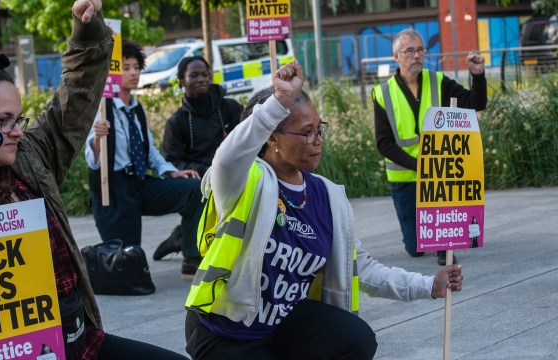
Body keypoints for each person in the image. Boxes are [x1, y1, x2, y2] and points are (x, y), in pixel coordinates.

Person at [0, 1, 186, 359]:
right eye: (3, 121)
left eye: (19, 119)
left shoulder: (28, 156)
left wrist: (86, 28)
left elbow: (75, 96)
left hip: (78, 342)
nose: (16, 132)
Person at [183, 60, 464, 359]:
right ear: (272, 138)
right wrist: (279, 102)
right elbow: (227, 158)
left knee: (355, 338)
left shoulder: (327, 196)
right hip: (225, 333)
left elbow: (361, 267)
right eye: (306, 132)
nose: (317, 141)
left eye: (320, 130)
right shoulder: (244, 180)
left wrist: (427, 284)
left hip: (281, 326)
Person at [85, 40, 203, 281]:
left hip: (139, 183)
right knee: (129, 265)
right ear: (113, 73)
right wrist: (98, 139)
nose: (133, 73)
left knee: (193, 189)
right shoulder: (101, 109)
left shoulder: (136, 109)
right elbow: (92, 160)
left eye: (136, 67)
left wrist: (171, 172)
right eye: (126, 68)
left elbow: (149, 153)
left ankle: (191, 258)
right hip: (114, 191)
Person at [372, 28, 487, 265]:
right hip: (404, 177)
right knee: (414, 249)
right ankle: (433, 241)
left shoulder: (437, 81)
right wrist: (420, 165)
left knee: (436, 236)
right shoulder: (382, 93)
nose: (416, 56)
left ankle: (443, 246)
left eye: (420, 50)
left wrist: (477, 75)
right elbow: (384, 144)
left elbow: (476, 103)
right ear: (397, 57)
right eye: (410, 51)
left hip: (437, 176)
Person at [154, 56, 242, 262]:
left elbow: (249, 134)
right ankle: (187, 242)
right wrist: (205, 171)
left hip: (234, 171)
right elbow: (173, 160)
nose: (201, 79)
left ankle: (183, 236)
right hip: (203, 178)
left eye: (205, 74)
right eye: (194, 75)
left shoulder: (230, 108)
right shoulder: (176, 122)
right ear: (181, 81)